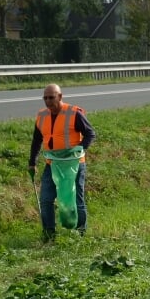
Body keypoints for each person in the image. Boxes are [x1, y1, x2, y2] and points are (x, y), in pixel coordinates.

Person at [28, 84, 96, 240]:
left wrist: (80, 149)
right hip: (52, 164)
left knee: (76, 199)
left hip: (74, 164)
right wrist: (32, 161)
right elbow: (37, 140)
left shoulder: (74, 114)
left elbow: (90, 133)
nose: (48, 101)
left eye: (51, 97)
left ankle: (81, 233)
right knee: (45, 199)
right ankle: (49, 234)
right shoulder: (42, 116)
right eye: (45, 98)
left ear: (60, 96)